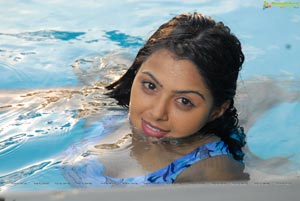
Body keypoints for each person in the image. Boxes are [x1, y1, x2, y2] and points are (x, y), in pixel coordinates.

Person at [62, 12, 249, 187]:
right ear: (136, 74)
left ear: (217, 111)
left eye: (184, 101)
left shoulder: (211, 169)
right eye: (150, 86)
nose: (157, 113)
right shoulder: (110, 111)